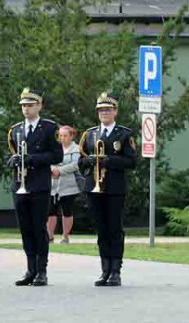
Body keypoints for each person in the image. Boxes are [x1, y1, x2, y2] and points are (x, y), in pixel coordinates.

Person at [78, 92, 137, 287]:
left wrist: (109, 161)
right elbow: (81, 161)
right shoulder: (90, 134)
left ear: (115, 112)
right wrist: (89, 160)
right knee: (102, 230)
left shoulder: (124, 134)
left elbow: (132, 161)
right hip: (94, 188)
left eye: (108, 109)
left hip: (114, 188)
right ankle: (104, 270)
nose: (104, 112)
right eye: (101, 110)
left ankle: (115, 271)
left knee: (114, 229)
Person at [6, 88, 62, 286]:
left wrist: (33, 159)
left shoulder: (48, 128)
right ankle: (30, 269)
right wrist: (12, 161)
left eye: (30, 105)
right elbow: (10, 153)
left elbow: (57, 156)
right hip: (20, 185)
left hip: (38, 185)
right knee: (25, 229)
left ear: (39, 106)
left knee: (39, 229)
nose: (26, 109)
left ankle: (41, 271)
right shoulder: (16, 129)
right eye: (23, 106)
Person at [47, 125, 82, 243]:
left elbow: (75, 164)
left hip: (69, 186)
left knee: (67, 211)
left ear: (72, 136)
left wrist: (59, 171)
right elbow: (48, 160)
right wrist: (52, 169)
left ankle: (65, 236)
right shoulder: (54, 148)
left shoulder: (76, 148)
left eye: (65, 135)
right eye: (60, 135)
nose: (62, 138)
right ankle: (50, 236)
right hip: (52, 185)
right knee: (50, 211)